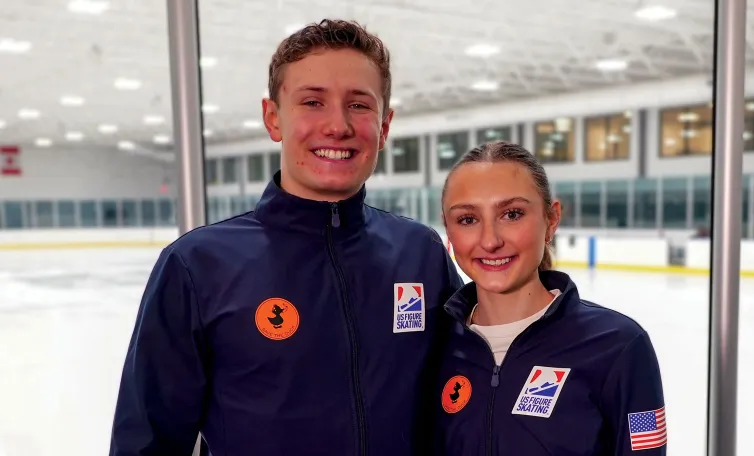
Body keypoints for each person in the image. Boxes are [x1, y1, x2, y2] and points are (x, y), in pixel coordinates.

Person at [108, 19, 463, 456]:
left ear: (384, 126)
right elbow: (146, 442)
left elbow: (473, 393)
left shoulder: (421, 253)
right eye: (313, 102)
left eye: (359, 105)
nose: (337, 126)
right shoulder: (197, 266)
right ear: (273, 118)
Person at [434, 141, 666, 455]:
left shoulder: (620, 345)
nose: (490, 241)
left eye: (512, 214)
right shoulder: (432, 346)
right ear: (448, 229)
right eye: (467, 219)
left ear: (551, 219)